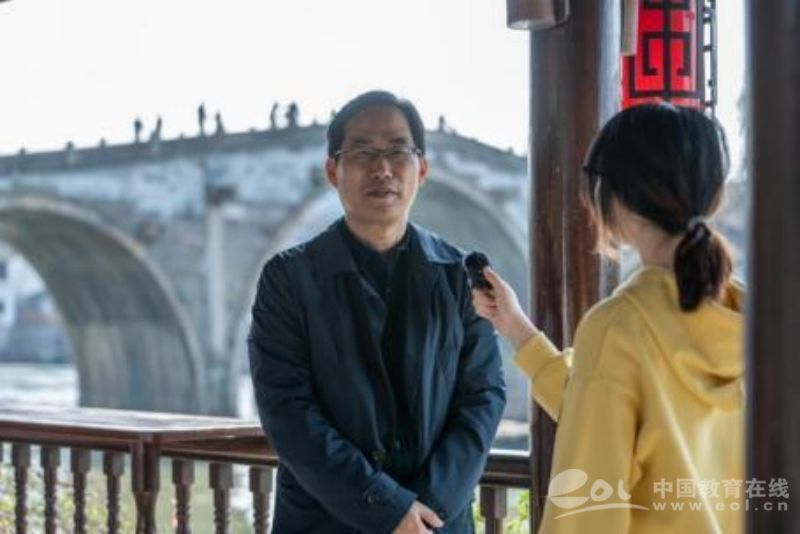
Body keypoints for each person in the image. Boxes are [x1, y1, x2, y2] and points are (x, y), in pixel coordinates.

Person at [473, 103, 744, 533]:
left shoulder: (619, 326)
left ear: (620, 200)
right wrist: (519, 330)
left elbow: (587, 509)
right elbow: (621, 418)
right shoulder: (753, 319)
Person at [249, 90, 506, 533]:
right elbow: (287, 411)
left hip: (436, 524)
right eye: (363, 152)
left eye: (397, 151)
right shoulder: (288, 279)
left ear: (421, 169)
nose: (382, 168)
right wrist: (388, 509)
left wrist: (425, 511)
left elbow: (482, 398)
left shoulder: (460, 277)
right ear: (333, 171)